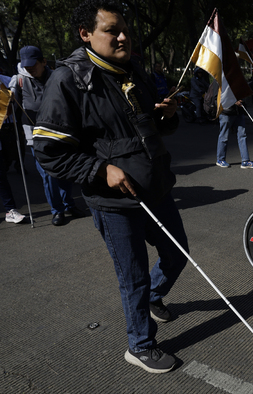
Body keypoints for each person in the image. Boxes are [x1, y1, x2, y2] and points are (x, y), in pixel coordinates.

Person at [33, 0, 187, 373]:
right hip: (114, 201)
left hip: (155, 187)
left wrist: (165, 116)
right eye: (112, 30)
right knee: (132, 275)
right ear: (86, 34)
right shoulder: (67, 79)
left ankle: (153, 296)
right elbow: (48, 152)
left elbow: (146, 125)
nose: (123, 37)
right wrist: (100, 171)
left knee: (177, 253)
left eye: (126, 30)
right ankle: (140, 344)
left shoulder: (133, 68)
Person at [10, 45, 86, 226]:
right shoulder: (19, 80)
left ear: (44, 62)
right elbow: (14, 109)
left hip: (62, 132)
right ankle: (57, 210)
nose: (30, 68)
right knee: (48, 174)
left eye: (33, 64)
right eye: (26, 65)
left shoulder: (57, 76)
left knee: (66, 170)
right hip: (36, 136)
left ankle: (69, 204)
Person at [0, 74, 26, 224]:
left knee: (1, 176)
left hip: (5, 131)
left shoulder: (5, 80)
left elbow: (9, 110)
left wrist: (9, 101)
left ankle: (10, 210)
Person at [215, 94, 253, 169]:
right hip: (226, 112)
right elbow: (217, 98)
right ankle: (220, 159)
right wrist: (233, 101)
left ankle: (245, 160)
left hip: (239, 112)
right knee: (224, 136)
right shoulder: (221, 83)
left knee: (242, 135)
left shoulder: (238, 82)